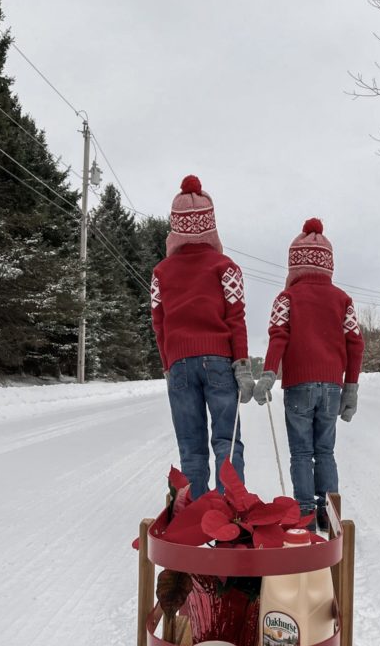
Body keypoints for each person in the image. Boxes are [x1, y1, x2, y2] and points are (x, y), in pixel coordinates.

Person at [254, 218, 364, 530]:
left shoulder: (286, 299)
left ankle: (303, 517)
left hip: (299, 386)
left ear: (295, 265)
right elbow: (355, 343)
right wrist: (351, 386)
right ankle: (329, 514)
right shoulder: (343, 300)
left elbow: (279, 337)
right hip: (331, 387)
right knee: (325, 451)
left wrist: (268, 375)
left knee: (301, 453)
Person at [151, 175, 253, 498]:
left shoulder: (160, 273)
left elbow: (159, 322)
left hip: (180, 364)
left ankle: (195, 521)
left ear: (174, 230)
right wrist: (241, 363)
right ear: (211, 226)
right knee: (226, 440)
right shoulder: (226, 267)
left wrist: (169, 364)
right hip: (220, 362)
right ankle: (232, 515)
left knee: (191, 448)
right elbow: (236, 318)